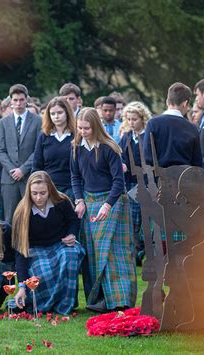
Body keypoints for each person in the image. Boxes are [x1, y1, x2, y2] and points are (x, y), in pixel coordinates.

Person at [71, 107, 136, 313]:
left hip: (114, 201)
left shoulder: (110, 148)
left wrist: (107, 205)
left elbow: (119, 182)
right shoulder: (76, 147)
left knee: (115, 253)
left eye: (87, 128)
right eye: (80, 128)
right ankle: (98, 300)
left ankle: (120, 300)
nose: (83, 131)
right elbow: (75, 177)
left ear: (96, 126)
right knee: (94, 253)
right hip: (90, 202)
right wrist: (79, 200)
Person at [12, 171, 84, 314]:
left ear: (50, 189)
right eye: (34, 193)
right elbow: (21, 250)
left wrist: (72, 234)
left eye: (43, 193)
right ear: (29, 192)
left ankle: (66, 304)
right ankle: (45, 304)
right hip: (35, 249)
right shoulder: (22, 211)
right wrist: (21, 286)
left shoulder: (62, 201)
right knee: (43, 271)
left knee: (70, 256)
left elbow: (73, 220)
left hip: (60, 244)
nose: (38, 197)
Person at [0, 84, 42, 223]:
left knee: (31, 216)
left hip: (29, 177)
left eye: (21, 100)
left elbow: (38, 149)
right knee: (10, 218)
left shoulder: (37, 120)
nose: (18, 103)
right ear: (11, 101)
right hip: (9, 179)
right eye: (15, 100)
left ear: (26, 99)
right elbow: (0, 149)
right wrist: (12, 170)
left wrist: (23, 169)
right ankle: (11, 245)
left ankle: (31, 244)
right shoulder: (4, 122)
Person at [119, 102, 152, 266]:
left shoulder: (148, 136)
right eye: (129, 119)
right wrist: (122, 164)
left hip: (145, 183)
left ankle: (142, 251)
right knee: (132, 220)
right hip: (129, 183)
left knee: (143, 220)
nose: (132, 122)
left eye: (135, 119)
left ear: (143, 118)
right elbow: (119, 155)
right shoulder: (126, 137)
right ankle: (135, 253)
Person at [144, 82, 202, 168]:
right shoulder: (192, 128)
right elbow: (197, 164)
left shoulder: (153, 124)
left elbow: (147, 158)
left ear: (167, 102)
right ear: (185, 103)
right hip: (185, 179)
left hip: (159, 179)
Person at [32, 96, 75, 199]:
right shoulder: (44, 136)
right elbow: (37, 166)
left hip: (72, 188)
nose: (56, 116)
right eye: (52, 114)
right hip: (48, 189)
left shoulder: (76, 135)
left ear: (67, 113)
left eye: (60, 113)